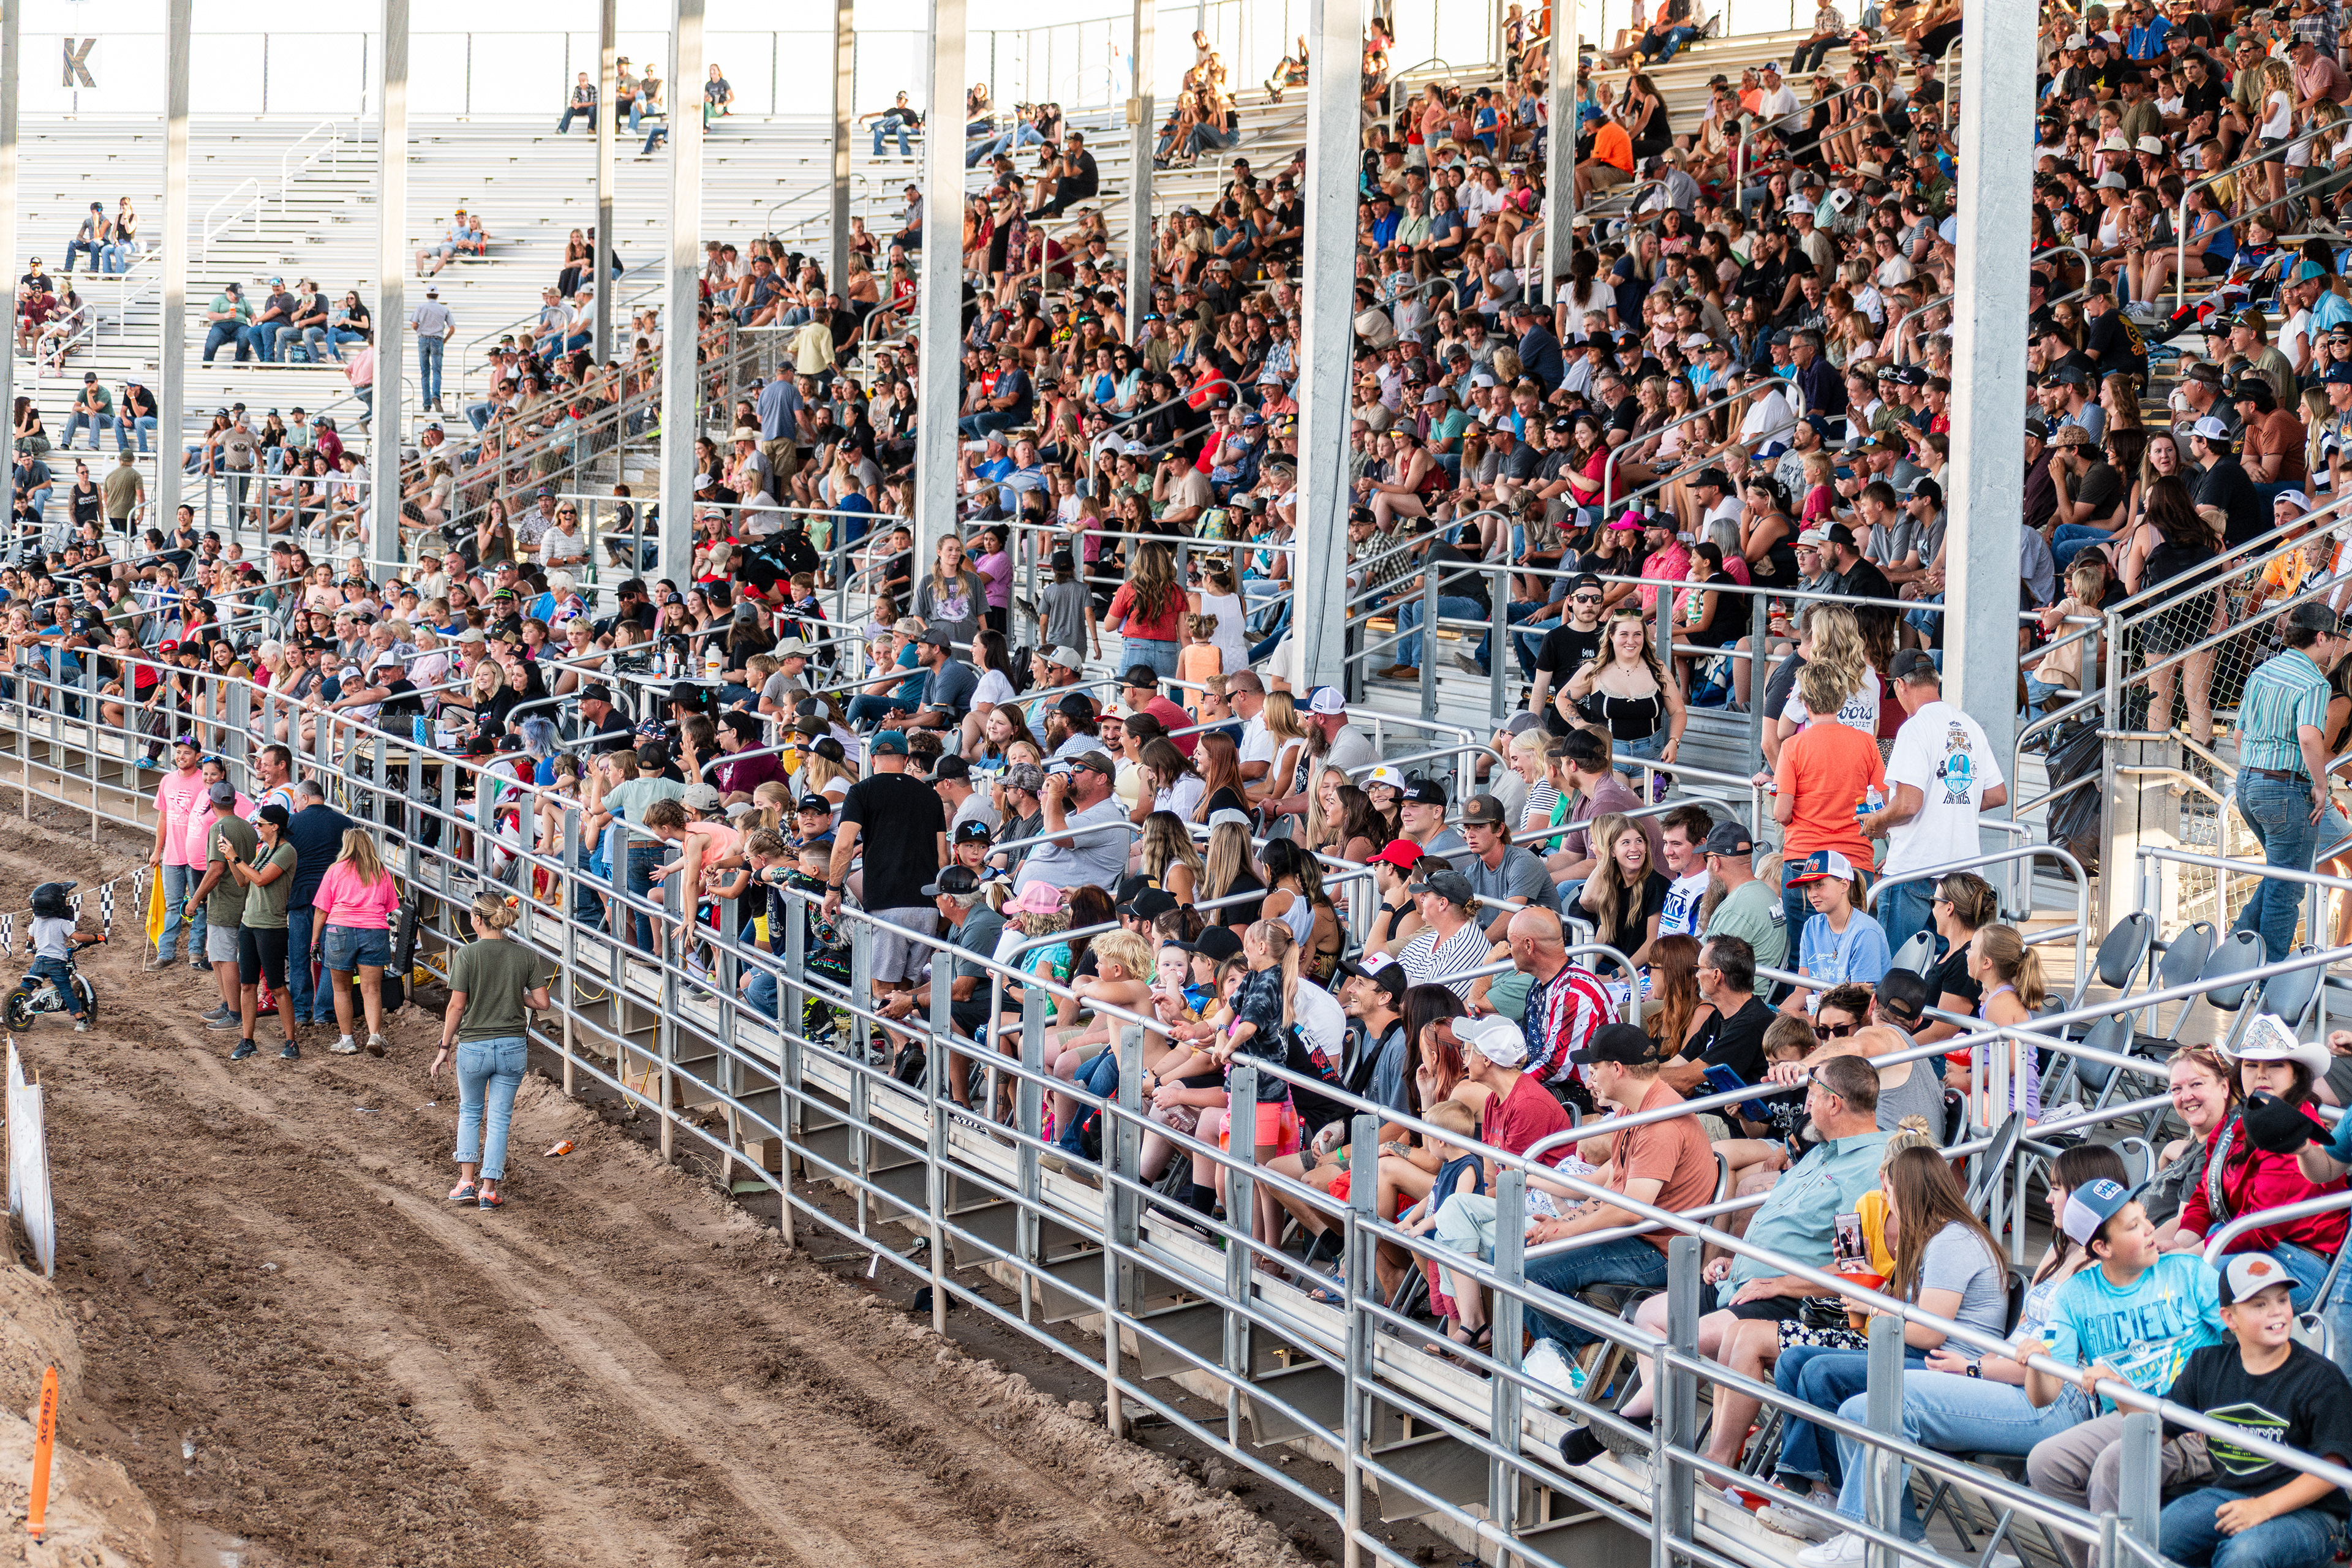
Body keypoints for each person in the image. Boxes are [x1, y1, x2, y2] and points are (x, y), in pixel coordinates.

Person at [1561, 1052, 1890, 1466]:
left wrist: (1777, 1283)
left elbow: (1854, 1264)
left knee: (1683, 1342)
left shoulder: (1865, 1170)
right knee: (1648, 1316)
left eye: (1810, 1091)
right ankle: (1654, 1423)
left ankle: (1634, 1419)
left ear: (1833, 1102)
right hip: (1746, 1281)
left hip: (1793, 1297)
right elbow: (1785, 1224)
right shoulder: (1823, 1152)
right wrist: (1736, 1261)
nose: (1805, 1102)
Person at [1799, 1145, 2128, 1557]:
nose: (2047, 1197)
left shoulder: (2101, 1270)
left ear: (2084, 1196)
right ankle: (1899, 1543)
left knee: (1891, 1404)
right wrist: (1980, 1366)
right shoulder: (2060, 1251)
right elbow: (2021, 1339)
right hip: (2006, 1378)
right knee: (1857, 1410)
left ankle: (1868, 1541)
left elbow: (2049, 1362)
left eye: (2058, 1189)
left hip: (2052, 1401)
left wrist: (1974, 1369)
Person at [2020, 1178, 2226, 1568]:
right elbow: (2043, 1396)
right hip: (2130, 1419)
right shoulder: (2077, 1294)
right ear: (2102, 1248)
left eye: (2145, 1218)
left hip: (2194, 1420)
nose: (2151, 1229)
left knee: (2114, 1465)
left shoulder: (2187, 1271)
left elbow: (2243, 1345)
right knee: (2046, 1463)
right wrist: (2035, 1360)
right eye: (2133, 1227)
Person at [2149, 1253, 2352, 1568]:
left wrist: (2263, 1508)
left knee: (2244, 1554)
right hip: (2229, 1495)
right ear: (2229, 1318)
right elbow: (2153, 1428)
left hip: (2313, 1514)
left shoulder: (2322, 1378)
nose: (2277, 1313)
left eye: (2283, 1300)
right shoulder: (2206, 1365)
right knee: (2153, 1538)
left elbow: (2334, 1470)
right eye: (2260, 1304)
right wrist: (2113, 1384)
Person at [1520, 1022, 1716, 1348]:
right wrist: (1559, 1221)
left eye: (1595, 1068)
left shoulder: (1659, 1123)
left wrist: (1567, 1231)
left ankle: (1589, 1346)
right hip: (1635, 1238)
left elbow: (1632, 1212)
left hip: (1657, 1251)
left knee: (1527, 1270)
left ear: (1617, 1069)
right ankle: (1562, 1351)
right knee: (1510, 1251)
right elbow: (1603, 1186)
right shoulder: (1637, 1107)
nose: (1590, 1078)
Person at [1865, 649, 2008, 950]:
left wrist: (1876, 823)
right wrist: (1948, 802)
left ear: (1902, 685)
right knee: (1951, 972)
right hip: (1963, 874)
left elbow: (1908, 804)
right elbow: (1996, 794)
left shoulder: (1914, 728)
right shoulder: (1970, 726)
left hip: (1915, 870)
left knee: (1896, 969)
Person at [2233, 603, 2352, 962]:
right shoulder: (2314, 682)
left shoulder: (2262, 672)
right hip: (2287, 790)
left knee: (2278, 877)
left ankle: (2233, 954)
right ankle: (2270, 983)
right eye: (2334, 638)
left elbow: (2239, 736)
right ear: (2321, 637)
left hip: (2248, 784)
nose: (2335, 646)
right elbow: (2308, 738)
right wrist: (2321, 786)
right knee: (2285, 893)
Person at [432, 891, 553, 1213]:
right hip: (513, 1046)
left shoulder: (467, 955)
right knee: (499, 1120)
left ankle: (465, 1184)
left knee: (470, 1112)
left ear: (476, 919)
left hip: (474, 1046)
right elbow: (543, 1003)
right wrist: (516, 996)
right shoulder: (525, 956)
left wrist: (444, 1047)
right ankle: (489, 1190)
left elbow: (457, 1006)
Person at [821, 729, 948, 1009]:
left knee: (880, 988)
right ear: (905, 759)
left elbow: (843, 847)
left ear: (872, 757)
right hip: (926, 906)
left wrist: (832, 890)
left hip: (886, 908)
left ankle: (903, 1047)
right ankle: (907, 1050)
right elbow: (943, 857)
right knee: (905, 992)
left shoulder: (861, 791)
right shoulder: (930, 796)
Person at [314, 827, 401, 1057]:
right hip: (374, 930)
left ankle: (347, 1040)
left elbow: (322, 910)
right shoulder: (381, 870)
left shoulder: (335, 870)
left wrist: (315, 942)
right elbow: (391, 906)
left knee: (341, 989)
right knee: (372, 989)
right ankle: (374, 1036)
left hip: (339, 929)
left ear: (346, 846)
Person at [222, 804, 300, 1058]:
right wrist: (230, 859)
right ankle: (247, 1040)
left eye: (261, 824)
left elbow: (261, 879)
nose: (258, 827)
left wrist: (235, 857)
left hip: (271, 927)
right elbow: (243, 880)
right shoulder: (266, 849)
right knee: (247, 985)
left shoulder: (287, 851)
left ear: (275, 826)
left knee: (277, 987)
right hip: (250, 924)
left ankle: (291, 1042)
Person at [184, 780, 256, 1037]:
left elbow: (216, 869)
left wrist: (194, 900)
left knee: (224, 959)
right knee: (219, 958)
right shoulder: (248, 827)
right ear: (235, 801)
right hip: (244, 900)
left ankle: (234, 1011)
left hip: (225, 903)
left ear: (212, 803)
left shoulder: (219, 827)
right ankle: (229, 1006)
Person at [284, 778, 356, 1030]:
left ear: (304, 798)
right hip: (335, 900)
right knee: (330, 958)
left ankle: (302, 1012)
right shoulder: (346, 823)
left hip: (300, 896)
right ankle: (325, 1011)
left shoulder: (292, 823)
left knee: (299, 956)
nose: (295, 807)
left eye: (296, 801)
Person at [1787, 850, 1891, 1012]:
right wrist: (1774, 1017)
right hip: (1822, 1018)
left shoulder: (1865, 932)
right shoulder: (1811, 926)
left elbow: (1858, 1006)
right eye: (1808, 887)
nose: (1813, 894)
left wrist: (1808, 1022)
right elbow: (1802, 990)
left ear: (1844, 885)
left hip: (1849, 1025)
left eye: (1819, 885)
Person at [145, 736, 209, 970]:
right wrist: (157, 851)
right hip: (172, 855)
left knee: (199, 904)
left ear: (197, 757)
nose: (182, 757)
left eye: (187, 753)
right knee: (172, 905)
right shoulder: (167, 781)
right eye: (179, 752)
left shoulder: (203, 783)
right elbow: (162, 816)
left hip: (196, 857)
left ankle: (195, 951)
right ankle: (166, 952)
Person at [1700, 820, 1787, 993]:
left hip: (1729, 1006)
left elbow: (1709, 978)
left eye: (1706, 859)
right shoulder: (1765, 892)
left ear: (1716, 863)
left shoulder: (1737, 909)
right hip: (1750, 998)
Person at [14, 881, 94, 1033]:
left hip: (40, 960)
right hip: (56, 962)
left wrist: (42, 942)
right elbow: (77, 937)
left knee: (26, 985)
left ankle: (7, 1013)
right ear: (57, 904)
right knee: (66, 990)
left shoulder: (36, 921)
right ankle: (81, 1022)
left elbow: (31, 939)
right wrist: (95, 937)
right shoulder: (61, 922)